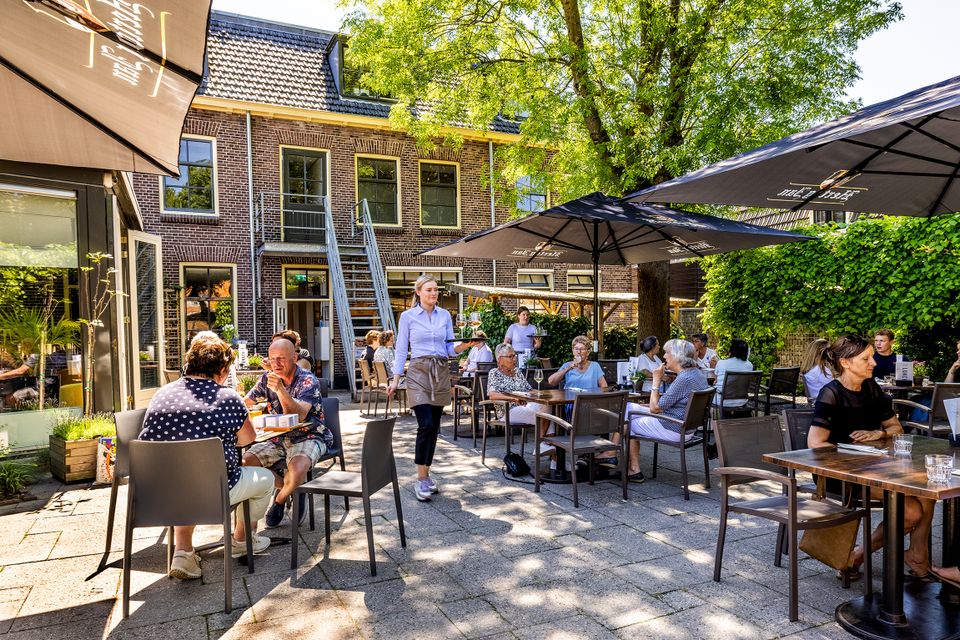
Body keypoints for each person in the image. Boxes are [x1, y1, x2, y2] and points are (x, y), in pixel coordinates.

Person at [139, 334, 274, 580]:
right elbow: (247, 439)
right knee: (265, 479)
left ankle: (183, 552)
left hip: (159, 492)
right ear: (222, 370)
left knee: (184, 474)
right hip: (212, 491)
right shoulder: (227, 397)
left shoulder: (162, 393)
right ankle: (241, 540)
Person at [808, 335, 936, 579]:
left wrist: (879, 433)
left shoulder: (871, 388)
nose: (874, 363)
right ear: (845, 363)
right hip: (841, 475)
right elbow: (815, 444)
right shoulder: (831, 393)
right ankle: (861, 555)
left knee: (925, 492)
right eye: (866, 359)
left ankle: (917, 553)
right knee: (912, 511)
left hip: (876, 469)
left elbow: (896, 428)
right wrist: (855, 453)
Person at [387, 274, 478, 502]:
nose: (434, 293)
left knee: (434, 427)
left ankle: (426, 475)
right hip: (418, 372)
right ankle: (421, 479)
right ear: (418, 292)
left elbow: (449, 349)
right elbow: (401, 348)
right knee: (425, 424)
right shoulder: (407, 317)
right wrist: (396, 378)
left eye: (436, 289)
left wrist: (465, 345)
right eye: (429, 290)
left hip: (440, 371)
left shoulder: (445, 315)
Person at [242, 338, 333, 527]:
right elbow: (246, 403)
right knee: (244, 463)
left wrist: (281, 390)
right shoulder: (267, 378)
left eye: (281, 358)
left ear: (294, 358)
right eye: (272, 358)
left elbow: (299, 415)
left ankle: (279, 500)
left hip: (309, 435)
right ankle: (290, 487)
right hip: (276, 437)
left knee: (298, 470)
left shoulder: (307, 380)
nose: (276, 363)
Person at [606, 339, 710, 483]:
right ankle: (615, 457)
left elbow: (655, 408)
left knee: (627, 422)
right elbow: (668, 404)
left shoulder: (684, 379)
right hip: (686, 427)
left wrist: (656, 380)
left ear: (677, 356)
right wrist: (644, 407)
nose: (664, 356)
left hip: (674, 428)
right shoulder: (697, 374)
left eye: (667, 353)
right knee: (628, 407)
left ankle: (624, 463)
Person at [486, 343, 550, 453]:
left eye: (514, 355)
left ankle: (547, 451)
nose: (514, 359)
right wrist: (514, 399)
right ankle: (543, 447)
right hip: (508, 410)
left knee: (548, 408)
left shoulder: (517, 372)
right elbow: (492, 395)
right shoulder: (494, 373)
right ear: (500, 359)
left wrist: (541, 393)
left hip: (525, 406)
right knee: (548, 417)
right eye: (510, 356)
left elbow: (529, 390)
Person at [713, 338, 753, 410]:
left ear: (731, 351)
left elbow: (715, 380)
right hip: (742, 401)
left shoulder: (721, 363)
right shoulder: (749, 365)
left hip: (722, 401)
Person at [800, 338, 834, 402]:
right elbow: (833, 390)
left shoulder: (809, 370)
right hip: (825, 403)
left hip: (817, 401)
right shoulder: (823, 371)